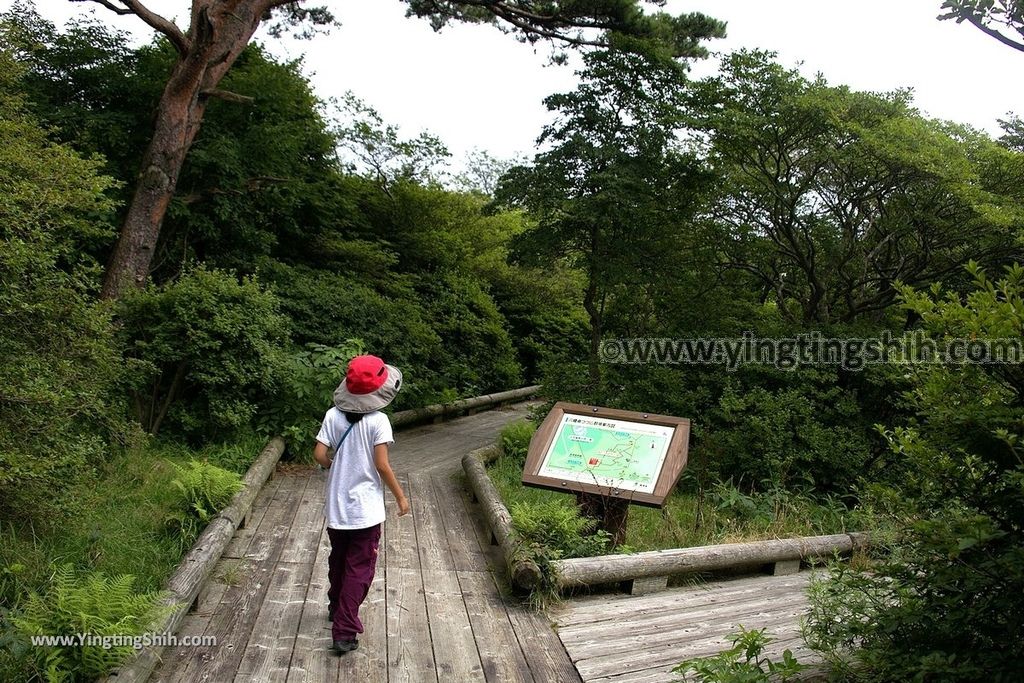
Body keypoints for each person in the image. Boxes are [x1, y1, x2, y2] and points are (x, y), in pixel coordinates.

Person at [312, 354, 410, 655]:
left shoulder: (332, 415)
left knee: (338, 559)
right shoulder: (379, 421)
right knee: (360, 569)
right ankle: (344, 630)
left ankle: (334, 606)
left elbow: (319, 455)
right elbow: (382, 464)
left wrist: (336, 465)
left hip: (337, 508)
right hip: (366, 512)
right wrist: (400, 496)